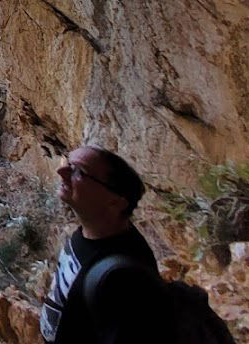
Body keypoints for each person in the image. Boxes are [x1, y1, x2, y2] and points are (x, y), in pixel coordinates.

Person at [41, 145, 167, 343]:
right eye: (68, 162)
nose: (61, 171)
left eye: (79, 171)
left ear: (116, 201)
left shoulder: (124, 278)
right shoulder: (88, 233)